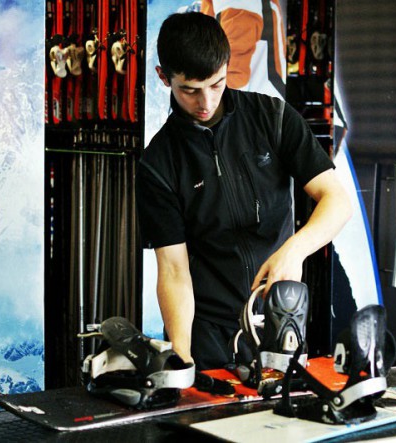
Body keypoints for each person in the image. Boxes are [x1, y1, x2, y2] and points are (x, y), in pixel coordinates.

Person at [135, 12, 352, 370]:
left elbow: (337, 201)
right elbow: (173, 270)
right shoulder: (158, 163)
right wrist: (182, 357)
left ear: (226, 67)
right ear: (163, 77)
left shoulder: (272, 117)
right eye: (190, 90)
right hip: (210, 332)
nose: (206, 102)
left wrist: (294, 251)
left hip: (282, 317)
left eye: (216, 84)